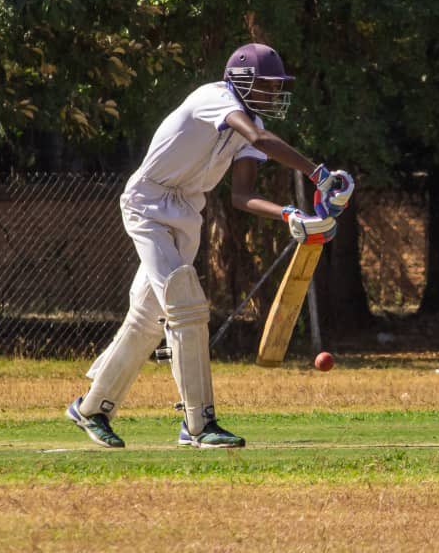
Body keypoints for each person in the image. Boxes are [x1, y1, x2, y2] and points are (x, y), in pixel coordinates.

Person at [66, 43, 354, 448]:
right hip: (148, 203)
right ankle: (199, 425)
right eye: (268, 87)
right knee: (185, 305)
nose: (274, 96)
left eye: (277, 88)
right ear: (241, 80)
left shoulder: (248, 124)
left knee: (149, 317)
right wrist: (317, 173)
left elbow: (241, 196)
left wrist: (291, 216)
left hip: (187, 212)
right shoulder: (213, 97)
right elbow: (258, 135)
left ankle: (91, 408)